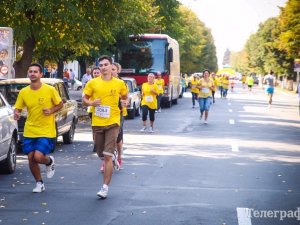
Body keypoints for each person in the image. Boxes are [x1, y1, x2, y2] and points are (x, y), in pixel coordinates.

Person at [82, 55, 128, 199]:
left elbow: (126, 96)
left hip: (113, 122)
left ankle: (105, 187)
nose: (103, 67)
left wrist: (125, 102)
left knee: (107, 156)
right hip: (97, 122)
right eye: (100, 65)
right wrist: (91, 103)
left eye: (106, 64)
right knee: (100, 153)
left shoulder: (119, 83)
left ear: (111, 66)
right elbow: (84, 99)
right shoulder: (92, 83)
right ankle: (112, 156)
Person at [13, 63, 63, 193]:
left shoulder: (50, 89)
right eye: (30, 71)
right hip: (30, 130)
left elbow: (60, 104)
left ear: (41, 74)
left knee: (38, 157)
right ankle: (39, 183)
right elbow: (18, 108)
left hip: (46, 130)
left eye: (35, 71)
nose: (32, 74)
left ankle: (48, 161)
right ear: (28, 74)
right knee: (30, 157)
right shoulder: (24, 92)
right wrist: (17, 113)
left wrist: (51, 110)